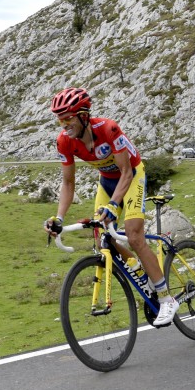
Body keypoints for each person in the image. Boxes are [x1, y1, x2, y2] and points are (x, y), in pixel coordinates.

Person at [43, 88, 178, 326]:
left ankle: (167, 299)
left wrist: (115, 205)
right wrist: (59, 218)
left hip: (132, 176)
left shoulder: (108, 129)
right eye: (60, 119)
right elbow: (68, 182)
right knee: (102, 238)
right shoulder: (64, 141)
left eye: (68, 118)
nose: (64, 124)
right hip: (106, 181)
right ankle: (137, 268)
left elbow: (126, 171)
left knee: (135, 236)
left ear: (84, 115)